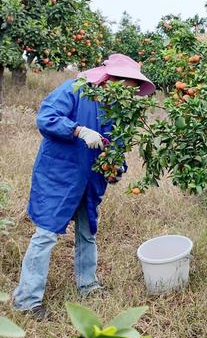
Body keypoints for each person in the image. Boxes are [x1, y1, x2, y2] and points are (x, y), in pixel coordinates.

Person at [13, 54, 155, 319]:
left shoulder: (118, 109)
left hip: (89, 179)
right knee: (45, 234)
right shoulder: (74, 89)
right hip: (60, 173)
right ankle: (27, 301)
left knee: (87, 232)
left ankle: (88, 286)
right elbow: (46, 117)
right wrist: (77, 130)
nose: (132, 91)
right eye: (129, 84)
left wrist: (116, 168)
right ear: (111, 78)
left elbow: (116, 148)